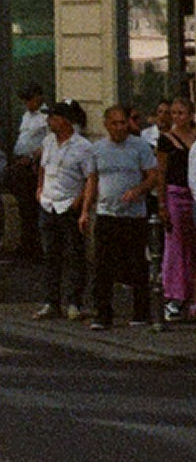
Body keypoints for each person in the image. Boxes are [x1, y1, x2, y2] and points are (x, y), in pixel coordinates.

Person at [81, 103, 159, 331]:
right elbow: (92, 181)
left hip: (134, 215)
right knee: (103, 265)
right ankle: (103, 313)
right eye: (114, 123)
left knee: (136, 263)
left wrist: (138, 190)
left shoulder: (140, 147)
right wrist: (86, 210)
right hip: (107, 213)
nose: (119, 128)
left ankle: (140, 312)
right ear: (106, 125)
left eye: (123, 122)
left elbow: (152, 176)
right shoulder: (97, 150)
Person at [33, 100, 92, 320]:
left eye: (53, 118)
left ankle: (74, 302)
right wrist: (39, 188)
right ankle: (51, 301)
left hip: (68, 204)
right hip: (48, 203)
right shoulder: (48, 142)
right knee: (50, 256)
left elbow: (90, 178)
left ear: (65, 120)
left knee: (75, 255)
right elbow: (43, 167)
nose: (49, 122)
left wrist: (81, 203)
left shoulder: (82, 147)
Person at [157, 95, 195, 324]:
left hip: (194, 195)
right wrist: (162, 203)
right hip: (175, 194)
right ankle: (174, 296)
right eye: (173, 113)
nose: (176, 117)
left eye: (181, 113)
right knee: (176, 246)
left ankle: (192, 297)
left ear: (190, 115)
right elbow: (161, 173)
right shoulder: (166, 140)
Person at [9, 83, 49, 261]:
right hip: (20, 162)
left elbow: (48, 143)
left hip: (33, 166)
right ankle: (26, 244)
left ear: (38, 98)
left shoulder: (46, 117)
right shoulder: (27, 115)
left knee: (31, 209)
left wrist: (33, 158)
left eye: (29, 100)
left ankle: (34, 247)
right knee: (23, 208)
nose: (27, 104)